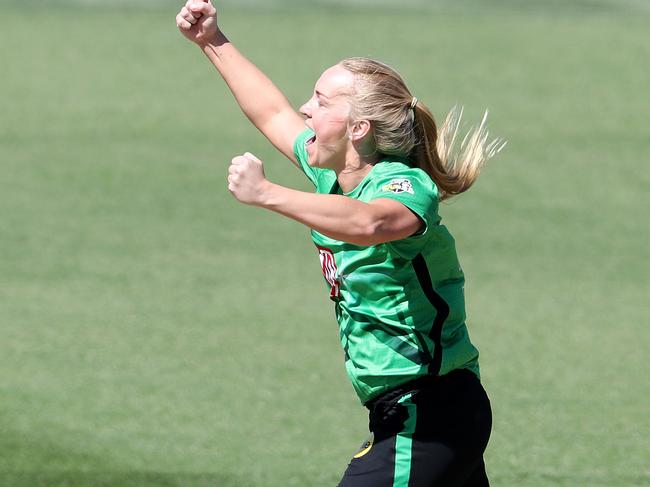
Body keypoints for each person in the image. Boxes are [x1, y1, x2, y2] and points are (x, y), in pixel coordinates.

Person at [177, 2, 504, 485]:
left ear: (358, 129)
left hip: (429, 412)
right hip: (415, 412)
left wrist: (268, 194)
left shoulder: (404, 185)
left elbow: (373, 224)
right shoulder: (332, 176)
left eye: (322, 101)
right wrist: (212, 40)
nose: (306, 109)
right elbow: (271, 111)